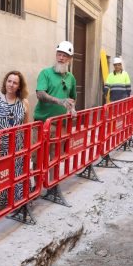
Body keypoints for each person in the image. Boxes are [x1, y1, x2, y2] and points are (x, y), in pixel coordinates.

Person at [0, 71, 30, 215]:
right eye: (9, 81)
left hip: (15, 146)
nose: (11, 85)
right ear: (5, 82)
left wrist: (27, 146)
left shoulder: (24, 102)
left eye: (15, 82)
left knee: (14, 175)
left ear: (19, 86)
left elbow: (27, 125)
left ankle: (14, 203)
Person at [33, 40, 77, 196]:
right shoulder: (45, 73)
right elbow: (40, 94)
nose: (61, 58)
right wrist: (59, 101)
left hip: (60, 125)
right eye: (59, 54)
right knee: (38, 156)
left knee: (55, 156)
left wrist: (72, 108)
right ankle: (36, 186)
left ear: (70, 59)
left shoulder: (71, 78)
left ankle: (52, 186)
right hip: (42, 123)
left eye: (65, 56)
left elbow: (72, 98)